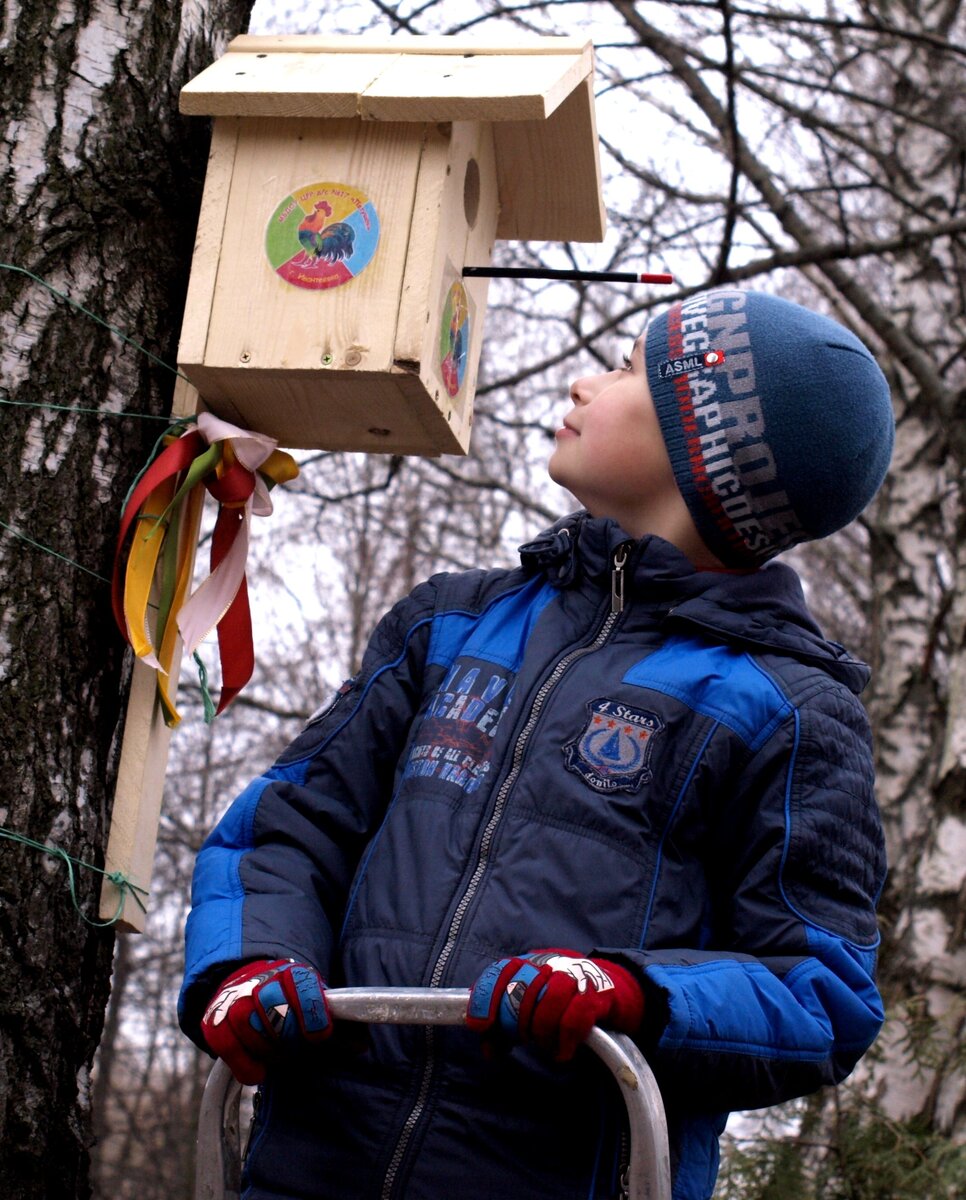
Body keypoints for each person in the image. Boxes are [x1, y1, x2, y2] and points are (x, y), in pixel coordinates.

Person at [179, 287, 894, 1200]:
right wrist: (250, 965)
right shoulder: (449, 625)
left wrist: (630, 993)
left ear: (705, 452)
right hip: (309, 1168)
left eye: (630, 370)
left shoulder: (788, 710)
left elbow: (819, 990)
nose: (586, 384)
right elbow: (289, 828)